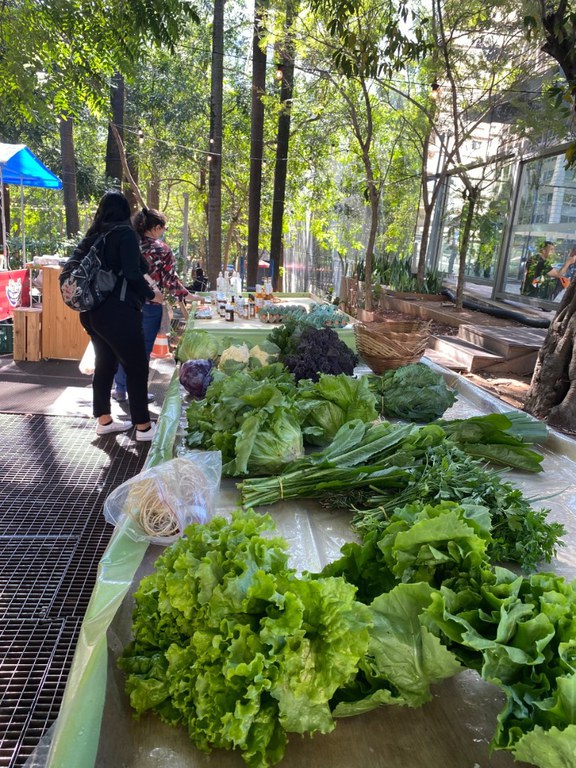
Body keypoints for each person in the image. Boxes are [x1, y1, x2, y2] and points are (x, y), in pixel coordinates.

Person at [77, 190, 162, 441]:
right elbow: (133, 273)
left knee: (105, 365)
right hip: (118, 312)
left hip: (92, 311)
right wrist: (151, 294)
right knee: (136, 367)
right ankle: (144, 427)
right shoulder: (124, 234)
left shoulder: (93, 235)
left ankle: (104, 420)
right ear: (126, 212)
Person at [112, 207, 200, 402]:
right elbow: (170, 280)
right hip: (150, 305)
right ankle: (138, 393)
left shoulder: (128, 245)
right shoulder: (162, 249)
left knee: (123, 346)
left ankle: (119, 389)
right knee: (142, 351)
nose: (163, 231)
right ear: (156, 228)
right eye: (163, 228)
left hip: (123, 304)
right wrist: (187, 295)